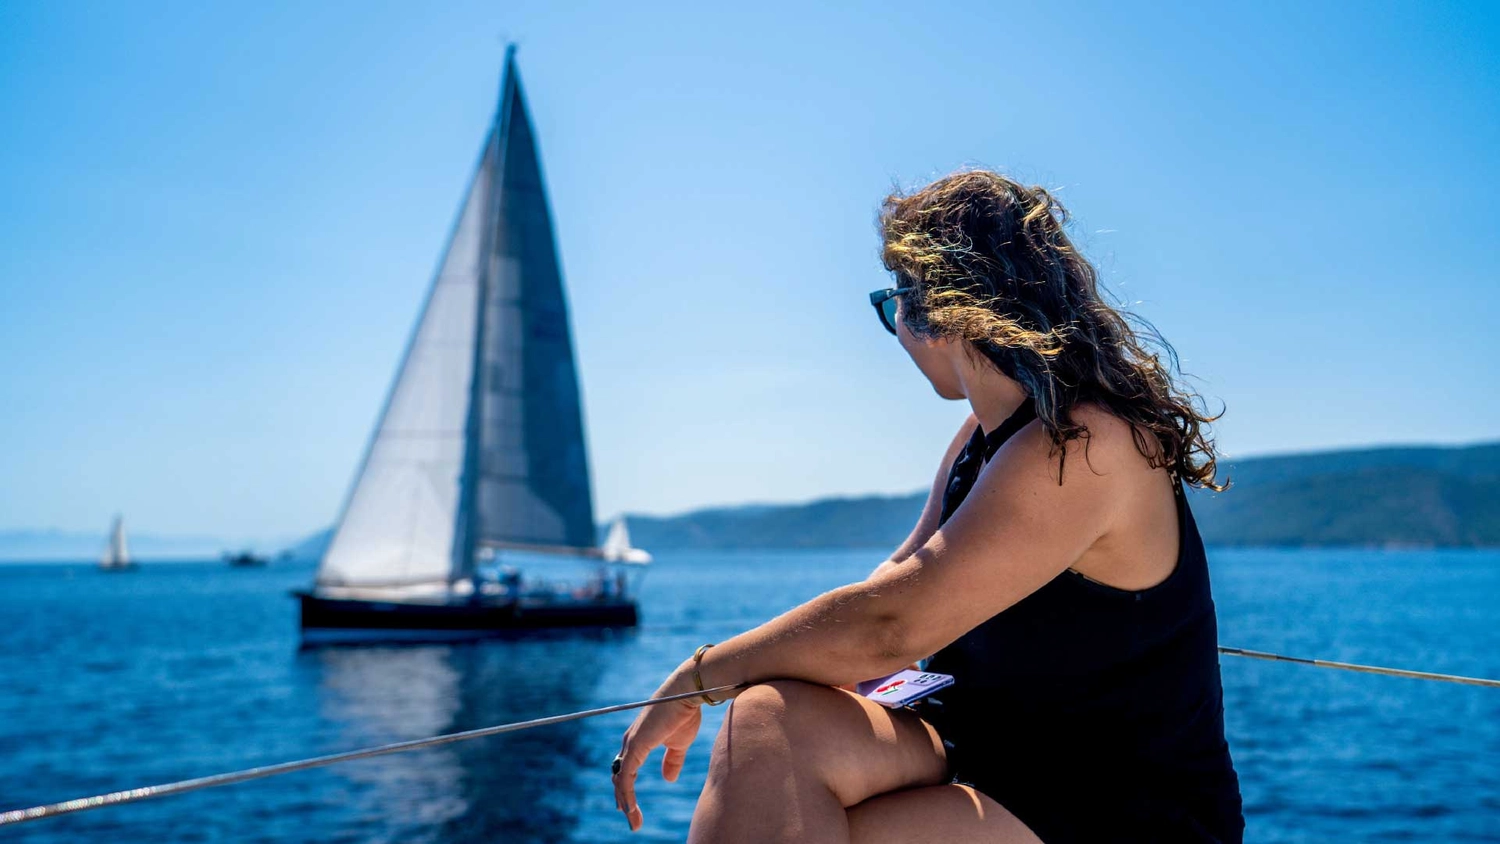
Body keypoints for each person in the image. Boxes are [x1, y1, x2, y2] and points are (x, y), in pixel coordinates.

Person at [611, 170, 1244, 843]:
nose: (901, 332)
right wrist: (817, 667)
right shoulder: (983, 436)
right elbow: (897, 580)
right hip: (990, 739)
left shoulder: (1086, 442)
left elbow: (893, 624)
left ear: (943, 311)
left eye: (897, 306)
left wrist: (698, 676)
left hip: (1118, 796)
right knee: (767, 722)